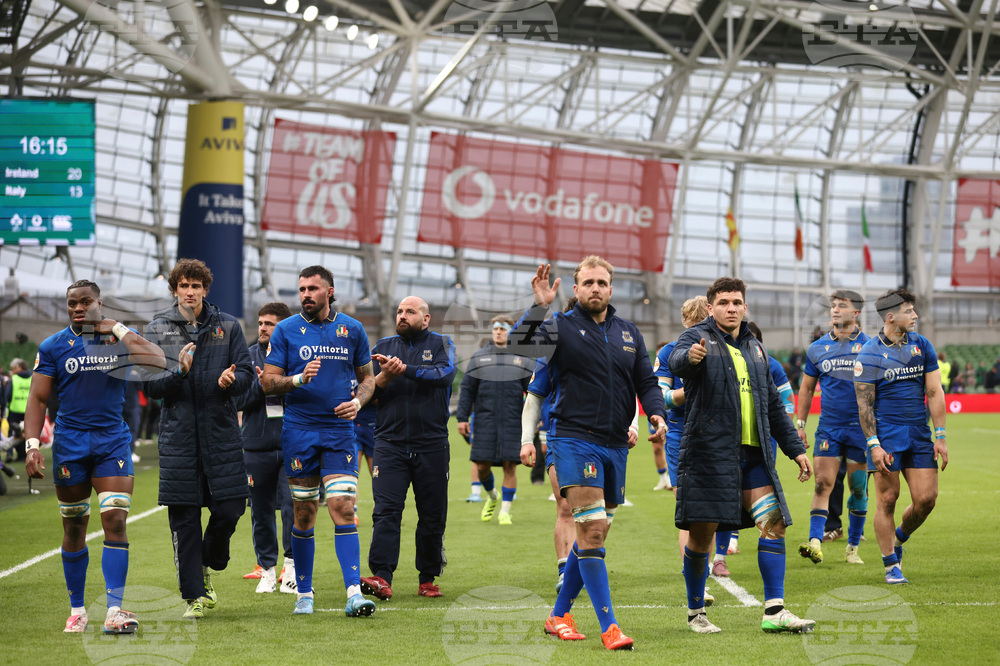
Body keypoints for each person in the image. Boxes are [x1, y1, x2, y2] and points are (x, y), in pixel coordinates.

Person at [510, 257, 667, 651]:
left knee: (592, 533)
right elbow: (517, 345)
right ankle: (610, 627)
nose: (595, 288)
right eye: (588, 282)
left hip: (616, 445)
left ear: (611, 289)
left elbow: (646, 381)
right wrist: (539, 307)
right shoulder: (558, 327)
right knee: (593, 529)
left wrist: (656, 414)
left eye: (602, 282)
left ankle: (558, 615)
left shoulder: (629, 333)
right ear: (576, 288)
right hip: (573, 439)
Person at [668, 276, 814, 635]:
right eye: (723, 303)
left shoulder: (755, 348)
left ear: (745, 307)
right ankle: (696, 613)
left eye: (736, 302)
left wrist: (795, 450)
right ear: (710, 307)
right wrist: (691, 358)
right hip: (709, 456)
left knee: (774, 524)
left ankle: (775, 610)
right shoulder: (695, 337)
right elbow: (676, 362)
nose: (731, 308)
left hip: (754, 457)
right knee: (702, 536)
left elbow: (773, 406)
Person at [22, 279, 165, 633]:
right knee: (74, 525)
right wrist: (32, 445)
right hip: (70, 443)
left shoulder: (118, 339)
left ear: (99, 304)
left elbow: (159, 361)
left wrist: (118, 329)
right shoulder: (53, 346)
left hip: (111, 441)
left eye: (85, 301)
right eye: (72, 303)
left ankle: (114, 611)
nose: (78, 308)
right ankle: (77, 611)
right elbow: (37, 398)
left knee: (114, 519)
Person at [260, 266, 376, 617]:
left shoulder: (352, 329)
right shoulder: (286, 329)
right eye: (302, 289)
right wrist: (298, 379)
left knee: (343, 506)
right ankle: (304, 593)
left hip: (339, 431)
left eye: (312, 288)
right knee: (305, 511)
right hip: (299, 431)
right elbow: (267, 382)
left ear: (330, 291)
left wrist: (358, 403)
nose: (306, 294)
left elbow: (368, 378)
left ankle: (353, 592)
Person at [142, 259, 254, 620]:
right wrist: (179, 372)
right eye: (183, 285)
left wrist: (231, 382)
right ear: (175, 289)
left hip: (221, 434)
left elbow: (247, 374)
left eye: (196, 286)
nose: (190, 292)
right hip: (179, 440)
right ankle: (194, 596)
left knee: (231, 507)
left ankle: (211, 558)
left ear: (205, 289)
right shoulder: (157, 329)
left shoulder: (228, 326)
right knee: (184, 520)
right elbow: (150, 385)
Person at [361, 296, 457, 600]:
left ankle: (427, 578)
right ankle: (381, 577)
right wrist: (384, 377)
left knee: (432, 514)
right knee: (386, 511)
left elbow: (445, 374)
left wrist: (406, 370)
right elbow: (366, 393)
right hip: (389, 444)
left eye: (410, 312)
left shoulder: (442, 344)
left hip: (432, 445)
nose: (402, 315)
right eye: (400, 311)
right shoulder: (382, 347)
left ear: (426, 318)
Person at [854, 288, 947, 585]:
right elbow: (864, 405)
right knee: (888, 499)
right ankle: (891, 565)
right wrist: (874, 445)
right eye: (909, 311)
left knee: (926, 500)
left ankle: (899, 538)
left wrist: (940, 435)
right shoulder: (869, 353)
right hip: (886, 436)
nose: (915, 316)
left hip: (919, 434)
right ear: (890, 317)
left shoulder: (922, 346)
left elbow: (935, 392)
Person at [655, 295, 730, 584]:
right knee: (693, 509)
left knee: (705, 509)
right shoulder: (669, 352)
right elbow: (661, 397)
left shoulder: (726, 349)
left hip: (713, 434)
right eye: (694, 325)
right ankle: (697, 576)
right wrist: (692, 392)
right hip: (683, 433)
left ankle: (704, 570)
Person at [793, 290, 870, 566]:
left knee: (858, 488)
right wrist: (800, 425)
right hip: (829, 428)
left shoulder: (870, 347)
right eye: (833, 306)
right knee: (822, 483)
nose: (835, 310)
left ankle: (852, 548)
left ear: (856, 313)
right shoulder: (817, 348)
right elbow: (806, 389)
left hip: (861, 430)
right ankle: (815, 542)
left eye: (842, 306)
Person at [235, 302, 296, 594]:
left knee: (292, 507)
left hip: (293, 445)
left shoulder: (297, 354)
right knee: (260, 512)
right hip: (256, 447)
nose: (262, 328)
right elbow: (237, 401)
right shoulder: (246, 357)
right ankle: (268, 571)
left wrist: (281, 385)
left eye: (269, 323)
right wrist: (261, 386)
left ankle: (292, 568)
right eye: (260, 323)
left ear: (283, 327)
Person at [456, 315, 531, 525]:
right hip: (484, 420)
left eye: (503, 329)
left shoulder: (521, 358)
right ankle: (492, 496)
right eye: (496, 328)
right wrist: (462, 417)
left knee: (510, 466)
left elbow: (533, 392)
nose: (499, 332)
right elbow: (467, 389)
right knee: (481, 466)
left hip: (512, 421)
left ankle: (505, 512)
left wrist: (534, 420)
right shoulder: (479, 357)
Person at [650, 341, 673, 492]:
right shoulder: (652, 370)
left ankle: (672, 478)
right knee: (657, 448)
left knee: (672, 444)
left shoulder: (675, 368)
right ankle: (663, 478)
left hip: (673, 412)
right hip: (657, 412)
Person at [5, 358, 31, 462]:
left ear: (19, 367)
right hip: (29, 410)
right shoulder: (33, 377)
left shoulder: (14, 378)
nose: (12, 371)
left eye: (13, 368)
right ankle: (25, 455)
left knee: (13, 433)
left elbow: (8, 395)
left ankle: (10, 454)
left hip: (15, 410)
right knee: (27, 433)